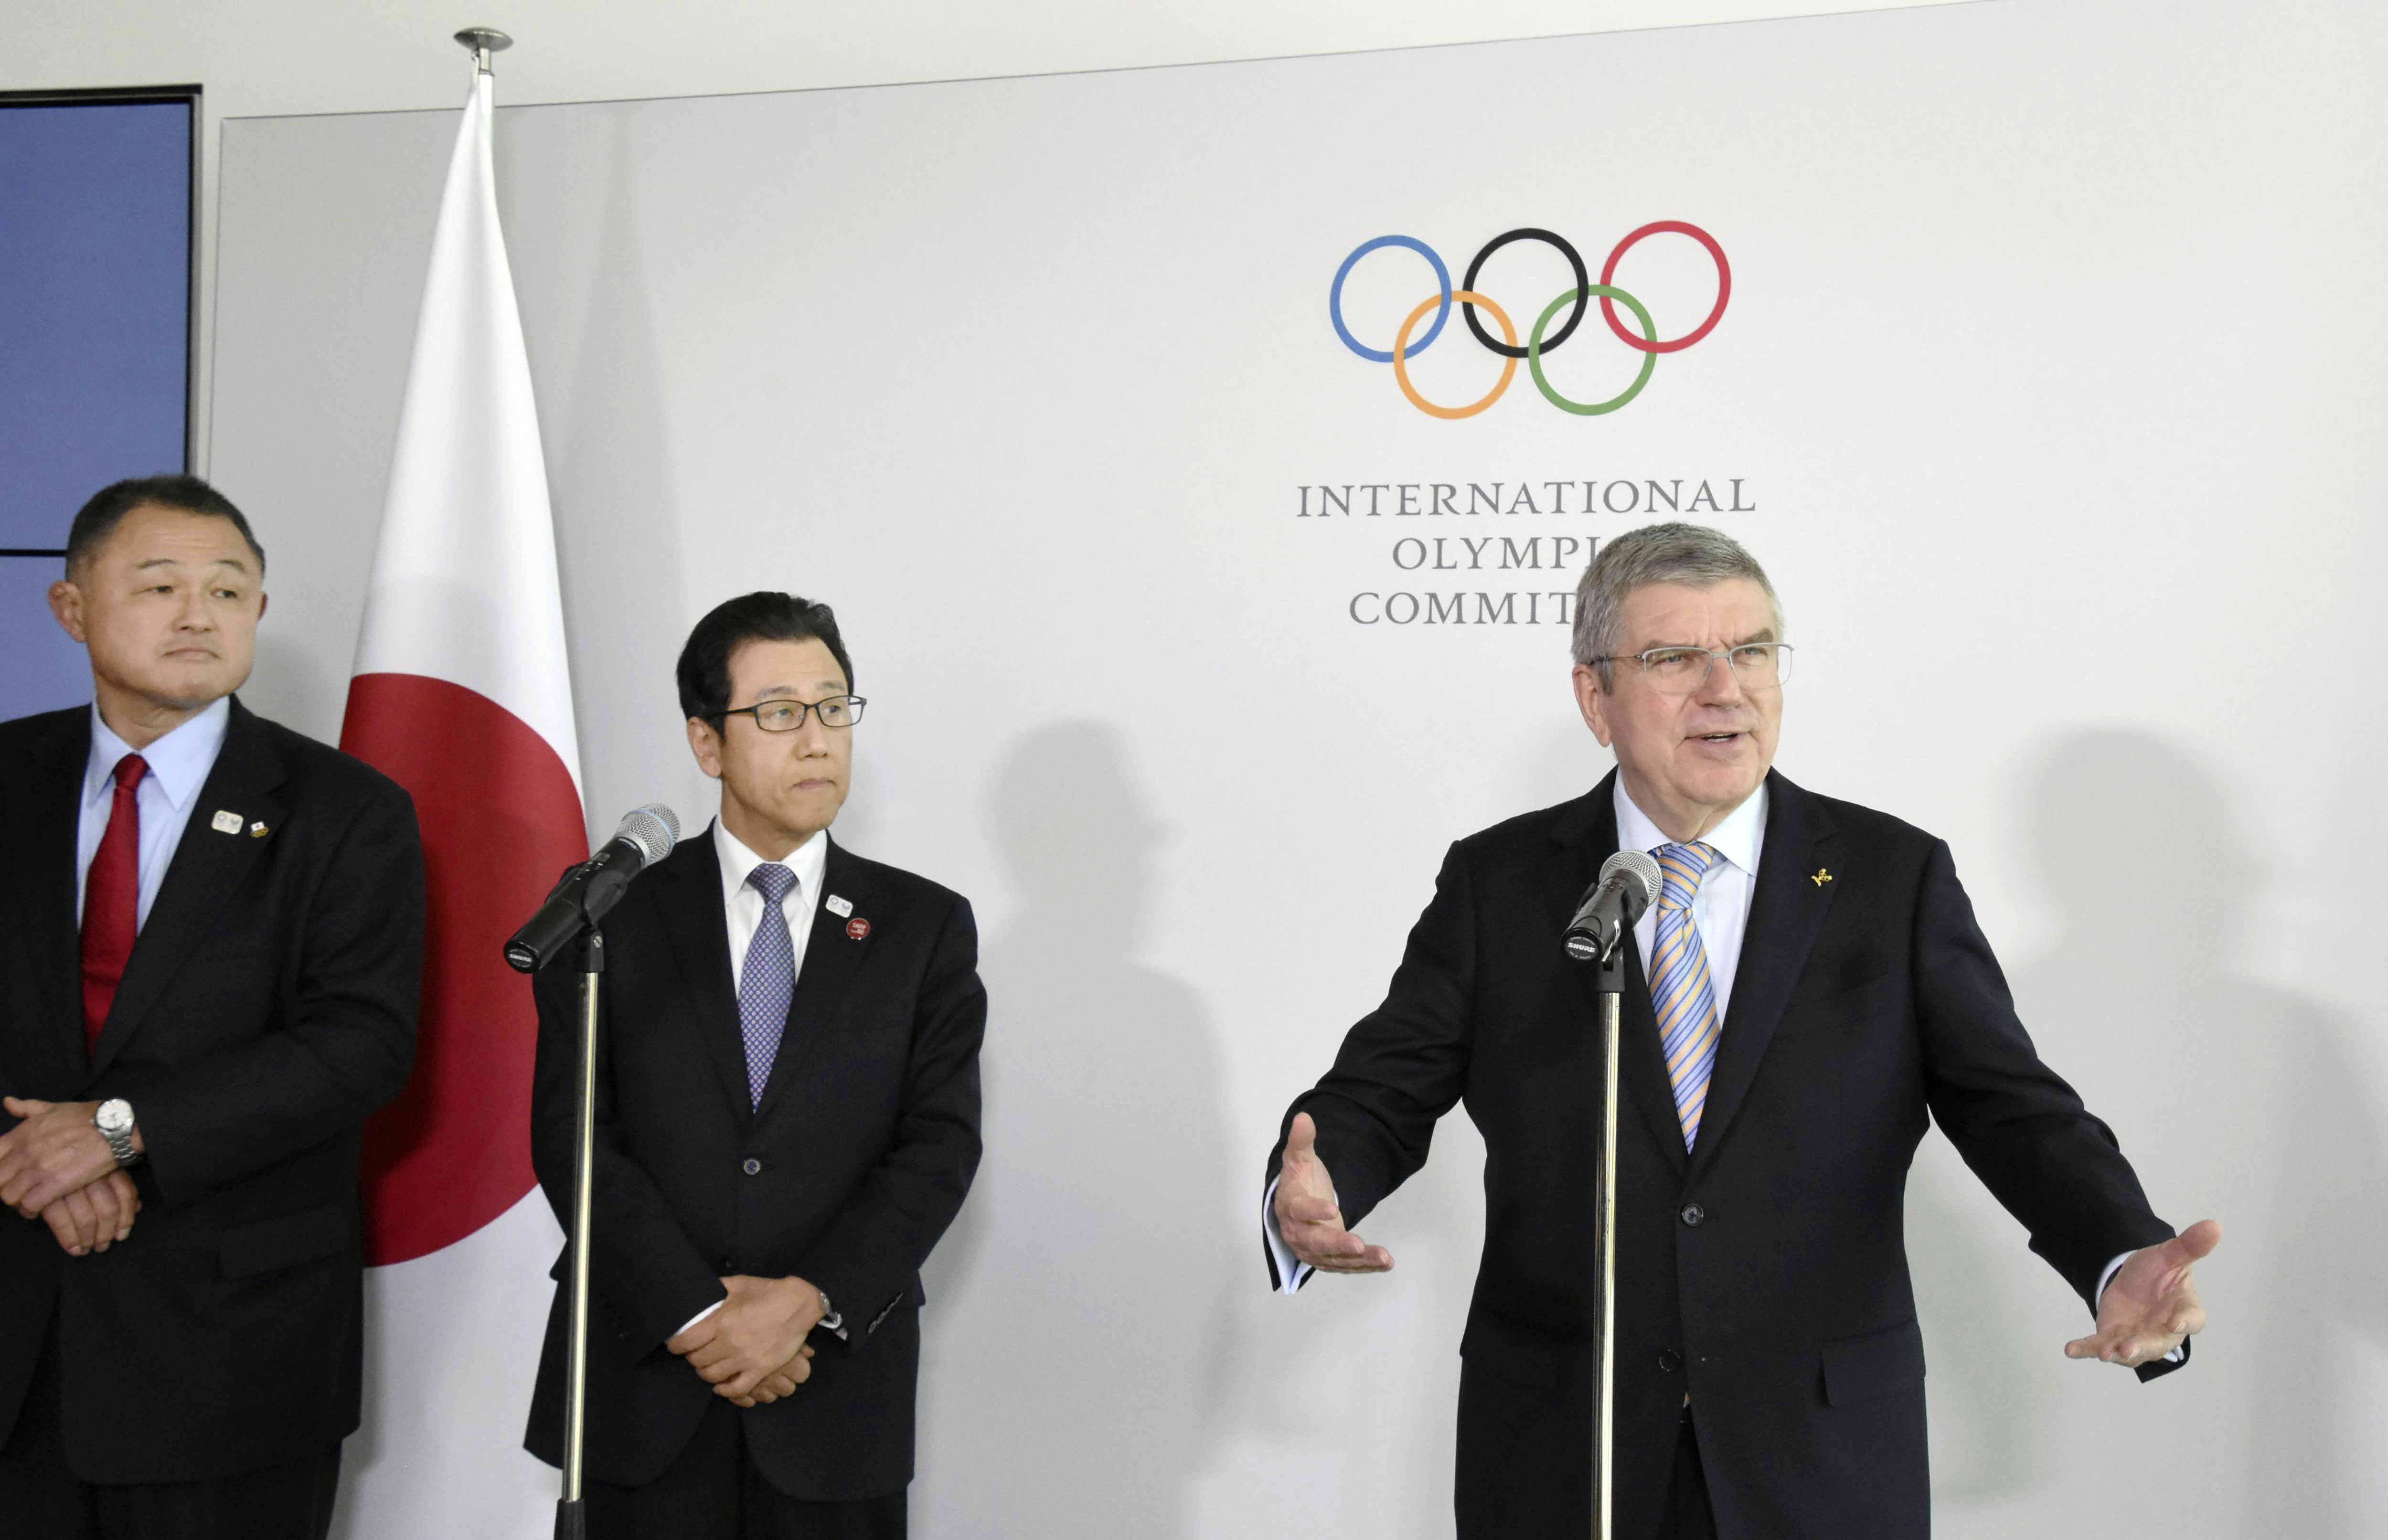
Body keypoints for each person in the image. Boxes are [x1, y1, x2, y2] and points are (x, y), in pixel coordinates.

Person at [1263, 522, 2220, 1540]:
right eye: (1675, 657)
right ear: (1595, 696)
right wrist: (1314, 1184)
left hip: (1817, 1455)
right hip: (1565, 1448)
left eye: (1752, 650)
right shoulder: (1499, 881)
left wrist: (2118, 1251)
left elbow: (2013, 1111)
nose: (1725, 689)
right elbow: (1385, 1088)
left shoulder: (1889, 877)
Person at [0, 475, 425, 1540]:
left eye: (229, 591)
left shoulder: (346, 811)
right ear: (71, 608)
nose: (199, 614)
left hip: (229, 1356)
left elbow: (358, 1043)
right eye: (160, 586)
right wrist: (29, 1160)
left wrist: (114, 1132)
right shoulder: (7, 777)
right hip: (15, 1327)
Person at [523, 591, 985, 1540]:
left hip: (834, 1392)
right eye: (778, 712)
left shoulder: (922, 926)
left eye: (833, 707)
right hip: (643, 1381)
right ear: (707, 741)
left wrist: (805, 1301)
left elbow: (938, 1147)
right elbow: (574, 1139)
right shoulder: (610, 916)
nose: (816, 739)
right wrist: (697, 1315)